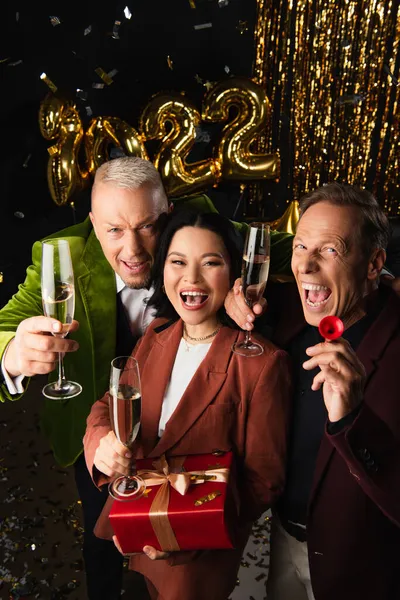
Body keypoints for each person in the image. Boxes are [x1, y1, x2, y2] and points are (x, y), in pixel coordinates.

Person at [0, 156, 293, 600]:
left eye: (147, 227)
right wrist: (12, 352)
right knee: (102, 547)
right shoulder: (59, 258)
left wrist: (379, 275)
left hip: (191, 451)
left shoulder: (196, 228)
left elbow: (287, 248)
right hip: (103, 444)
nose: (133, 251)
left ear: (168, 214)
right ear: (93, 223)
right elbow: (6, 328)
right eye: (114, 230)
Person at [83, 210, 292, 600]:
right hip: (135, 531)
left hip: (200, 557)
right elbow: (106, 407)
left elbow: (264, 482)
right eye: (177, 262)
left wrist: (181, 532)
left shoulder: (263, 364)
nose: (191, 279)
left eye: (210, 263)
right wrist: (102, 445)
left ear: (233, 272)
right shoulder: (156, 335)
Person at [257, 183, 399, 600]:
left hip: (359, 567)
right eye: (301, 247)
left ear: (374, 264)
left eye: (331, 250)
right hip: (282, 539)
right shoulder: (286, 312)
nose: (306, 266)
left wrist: (354, 419)